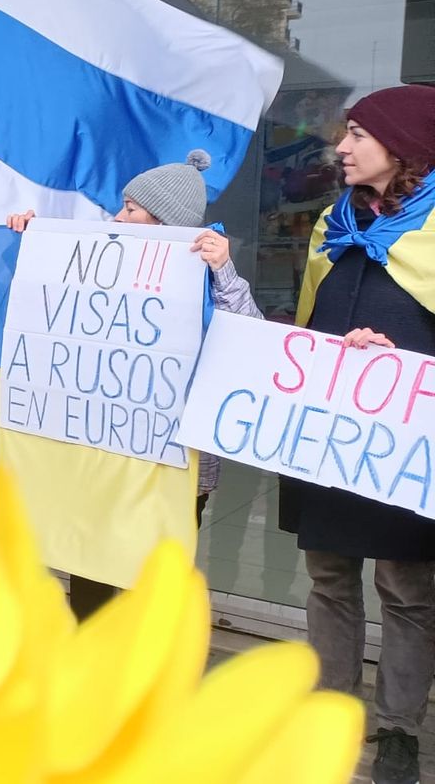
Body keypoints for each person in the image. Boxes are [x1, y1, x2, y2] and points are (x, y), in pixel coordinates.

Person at [7, 150, 267, 617]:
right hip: (108, 449)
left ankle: (144, 671)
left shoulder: (210, 274)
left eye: (131, 209)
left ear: (165, 221)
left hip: (179, 463)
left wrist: (224, 271)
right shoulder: (103, 262)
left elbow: (248, 338)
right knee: (92, 562)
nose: (117, 216)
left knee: (157, 574)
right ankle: (91, 657)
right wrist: (29, 241)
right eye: (122, 206)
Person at [273, 85, 435, 784]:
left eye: (360, 135)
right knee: (329, 578)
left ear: (403, 147)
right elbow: (311, 321)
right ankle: (329, 711)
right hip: (331, 437)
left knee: (406, 588)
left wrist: (395, 358)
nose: (341, 147)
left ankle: (398, 732)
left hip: (405, 443)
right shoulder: (331, 225)